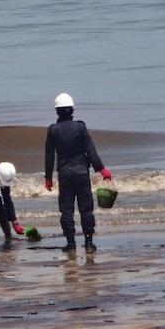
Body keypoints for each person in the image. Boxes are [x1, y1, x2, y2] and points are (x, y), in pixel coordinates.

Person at [44, 93, 112, 253]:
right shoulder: (80, 127)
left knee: (66, 210)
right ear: (72, 109)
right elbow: (90, 150)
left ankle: (71, 243)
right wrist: (102, 169)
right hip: (82, 172)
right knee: (86, 208)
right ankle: (88, 242)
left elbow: (49, 156)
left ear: (57, 111)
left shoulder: (53, 130)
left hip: (64, 174)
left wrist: (48, 177)